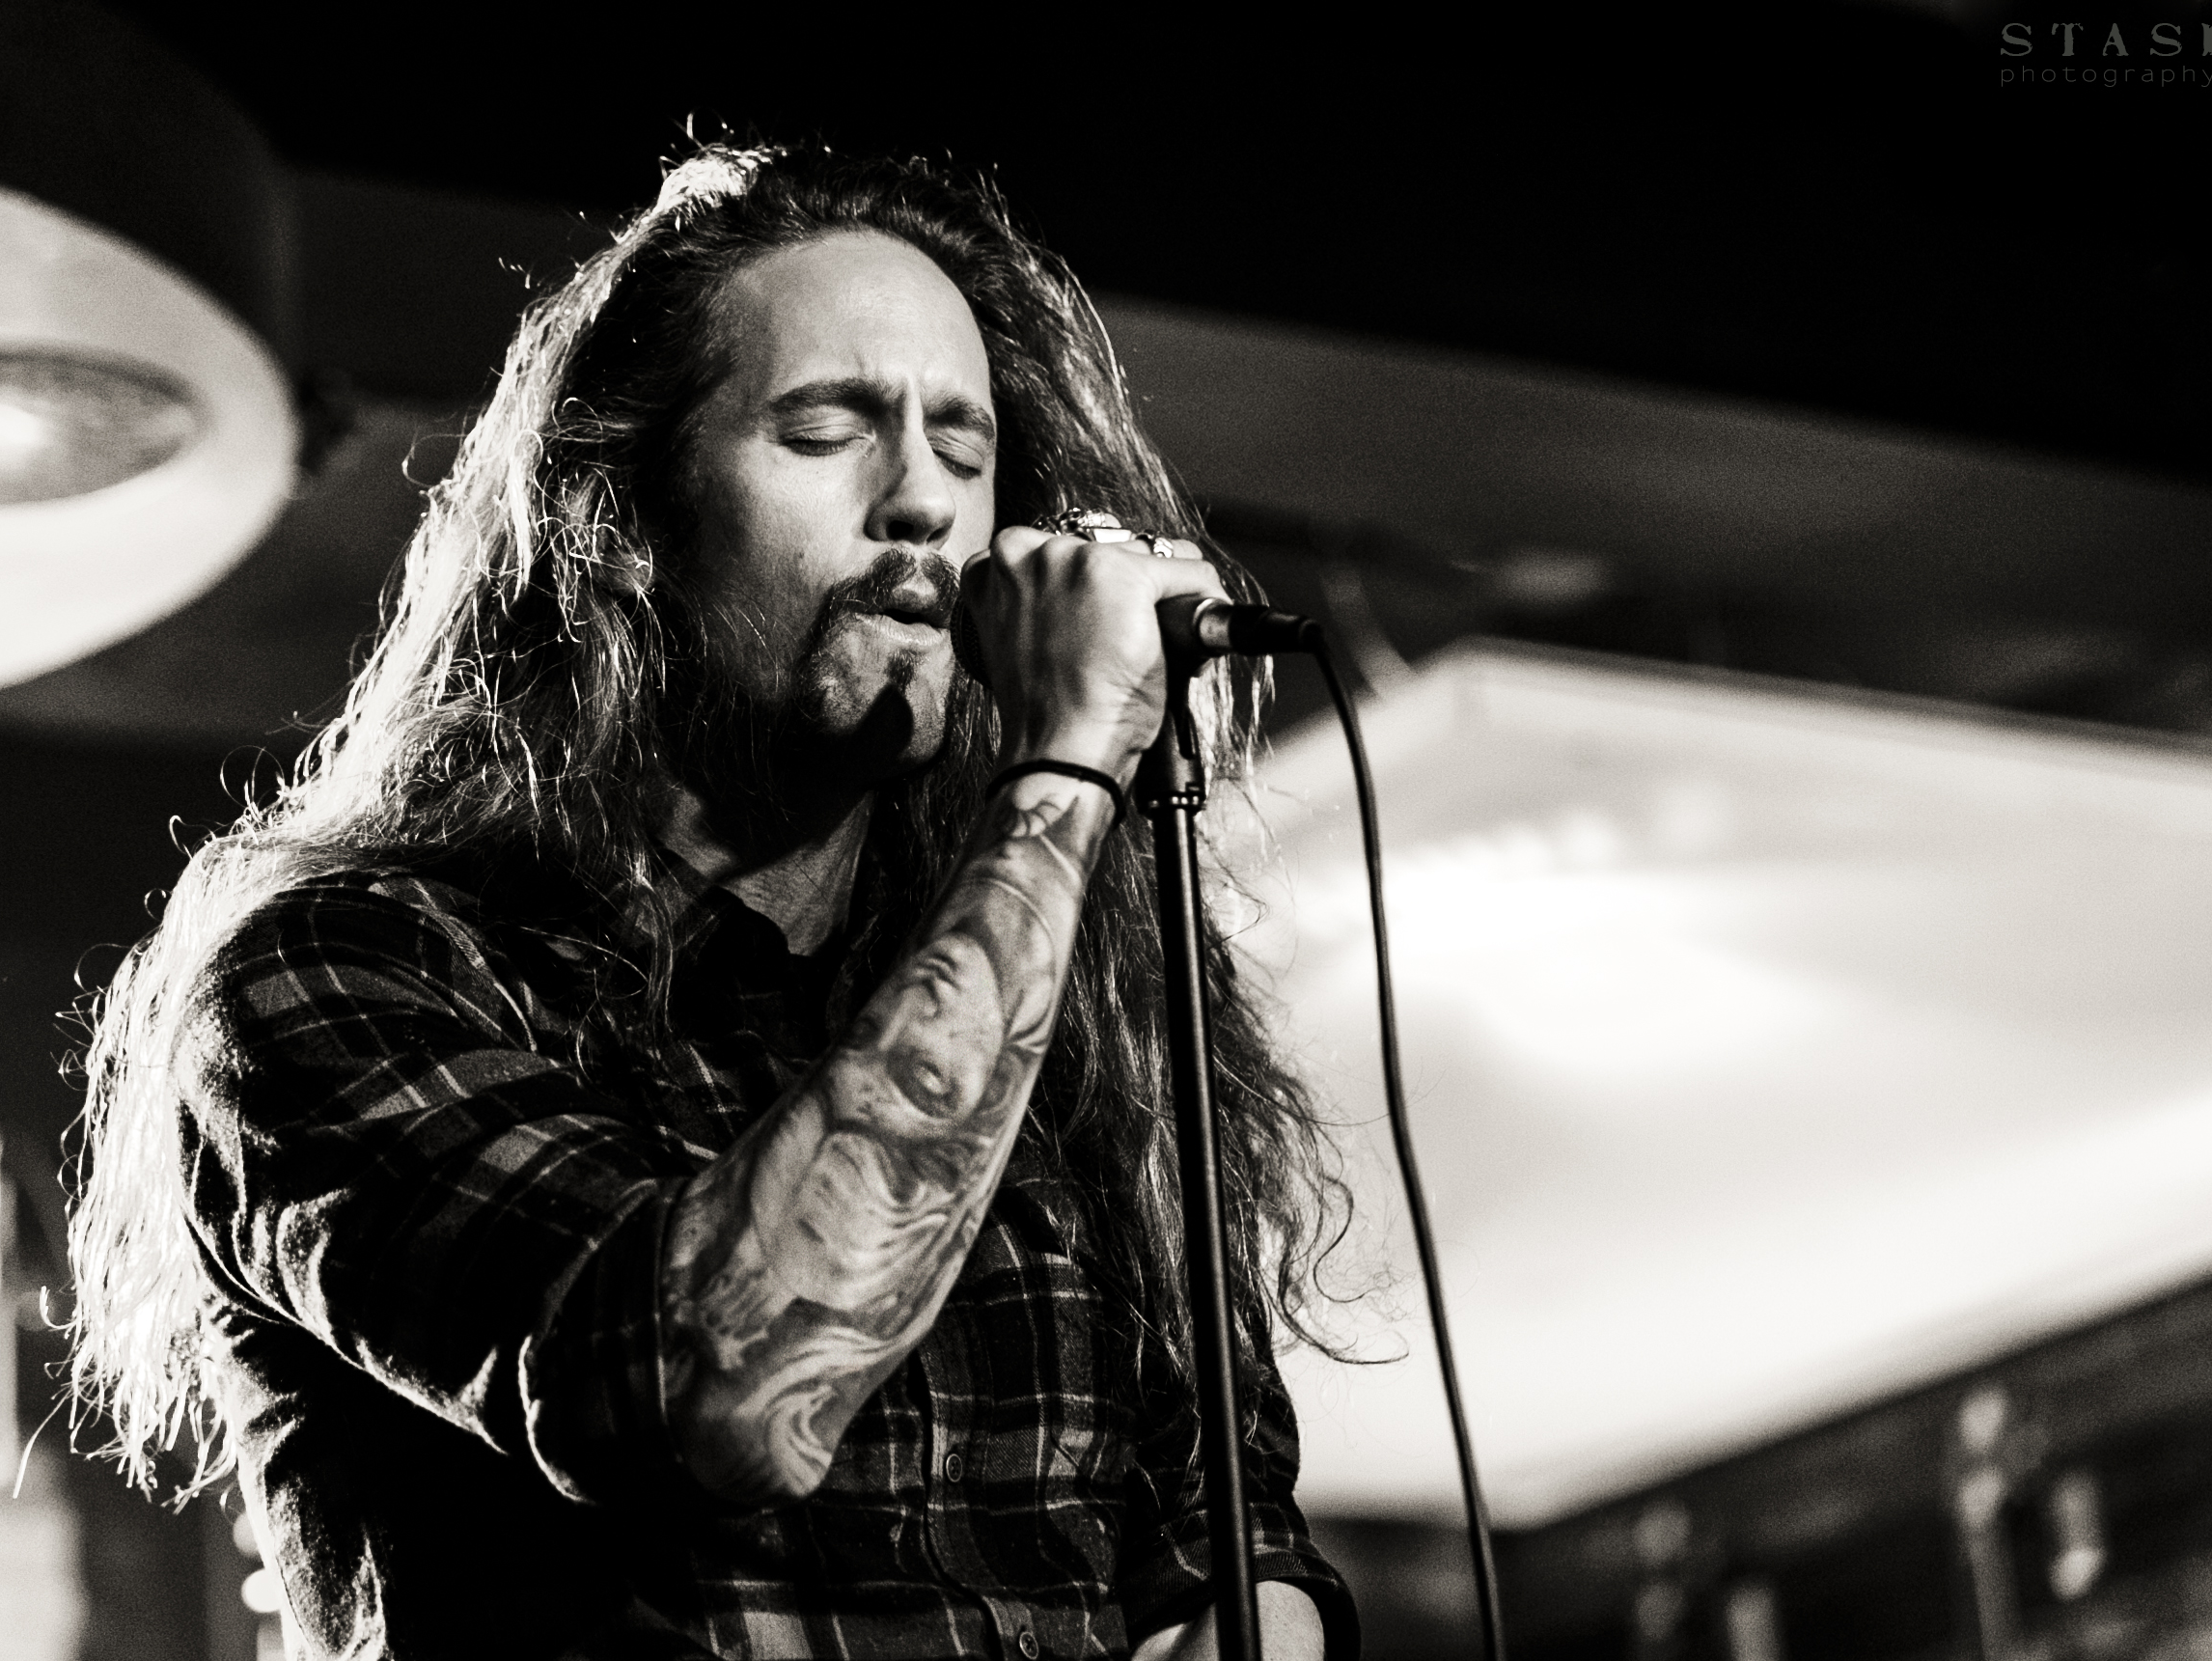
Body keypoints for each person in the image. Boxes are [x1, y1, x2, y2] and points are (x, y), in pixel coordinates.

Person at [67, 145, 1361, 1661]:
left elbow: (1235, 1542)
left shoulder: (1073, 1013)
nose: (920, 502)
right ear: (627, 518)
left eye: (964, 445)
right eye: (825, 430)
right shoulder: (348, 972)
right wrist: (1064, 772)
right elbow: (722, 1390)